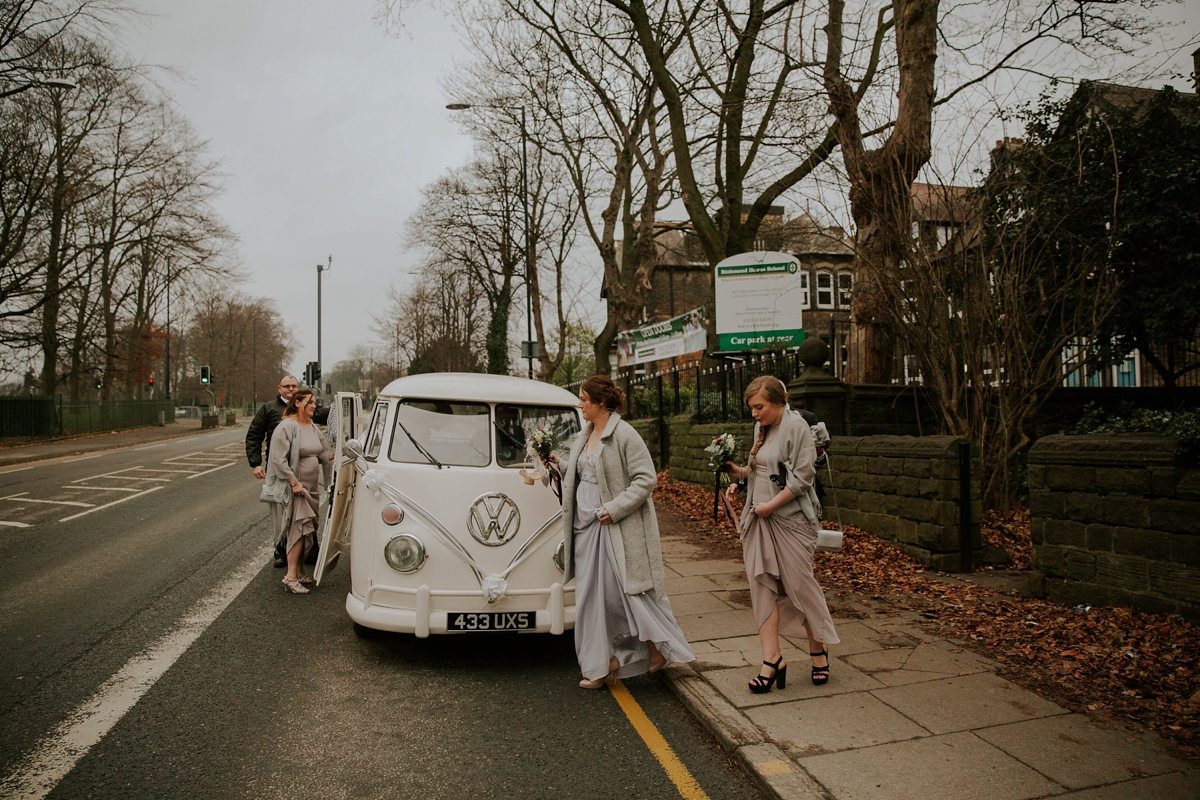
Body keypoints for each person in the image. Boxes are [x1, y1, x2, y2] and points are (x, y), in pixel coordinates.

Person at [558, 375, 695, 689]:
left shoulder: (625, 435)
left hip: (614, 528)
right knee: (590, 597)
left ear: (601, 403)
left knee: (619, 595)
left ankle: (651, 649)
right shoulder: (586, 433)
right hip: (585, 528)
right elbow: (582, 472)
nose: (579, 405)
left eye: (584, 399)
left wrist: (615, 508)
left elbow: (646, 480)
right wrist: (557, 464)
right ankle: (602, 665)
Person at [724, 376, 839, 692]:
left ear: (777, 401)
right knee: (762, 586)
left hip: (791, 521)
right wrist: (739, 477)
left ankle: (819, 648)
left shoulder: (797, 427)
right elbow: (760, 468)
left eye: (759, 407)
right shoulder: (761, 427)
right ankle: (771, 660)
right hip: (759, 519)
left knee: (800, 587)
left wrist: (770, 506)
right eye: (751, 408)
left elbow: (802, 478)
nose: (754, 414)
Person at [246, 375, 330, 567]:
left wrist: (347, 404)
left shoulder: (305, 410)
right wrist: (256, 463)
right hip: (282, 472)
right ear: (279, 388)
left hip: (305, 476)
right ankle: (281, 551)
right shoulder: (269, 409)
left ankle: (309, 551)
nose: (290, 388)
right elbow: (254, 435)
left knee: (305, 513)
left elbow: (323, 414)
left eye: (294, 386)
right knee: (284, 511)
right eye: (287, 386)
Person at [263, 388, 334, 594]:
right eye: (310, 402)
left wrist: (340, 454)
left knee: (308, 528)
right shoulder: (287, 426)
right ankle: (291, 576)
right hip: (297, 488)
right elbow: (277, 458)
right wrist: (294, 482)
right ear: (297, 403)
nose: (314, 405)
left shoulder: (311, 426)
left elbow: (323, 452)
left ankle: (301, 571)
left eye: (314, 402)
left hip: (311, 488)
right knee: (298, 529)